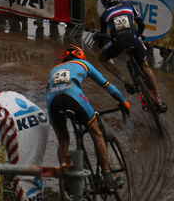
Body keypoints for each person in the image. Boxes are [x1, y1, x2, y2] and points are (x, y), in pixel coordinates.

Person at [46, 44, 130, 192]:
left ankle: (66, 182)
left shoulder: (54, 70)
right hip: (73, 96)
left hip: (53, 102)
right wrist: (123, 102)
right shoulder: (83, 64)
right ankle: (108, 181)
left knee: (63, 142)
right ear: (81, 56)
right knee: (97, 134)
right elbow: (109, 87)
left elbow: (50, 92)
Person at [96, 0, 167, 113]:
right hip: (134, 38)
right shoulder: (128, 4)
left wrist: (101, 47)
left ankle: (126, 81)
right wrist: (140, 36)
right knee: (145, 67)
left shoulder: (104, 14)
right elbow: (141, 24)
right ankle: (159, 100)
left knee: (101, 58)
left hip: (117, 41)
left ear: (106, 4)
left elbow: (102, 37)